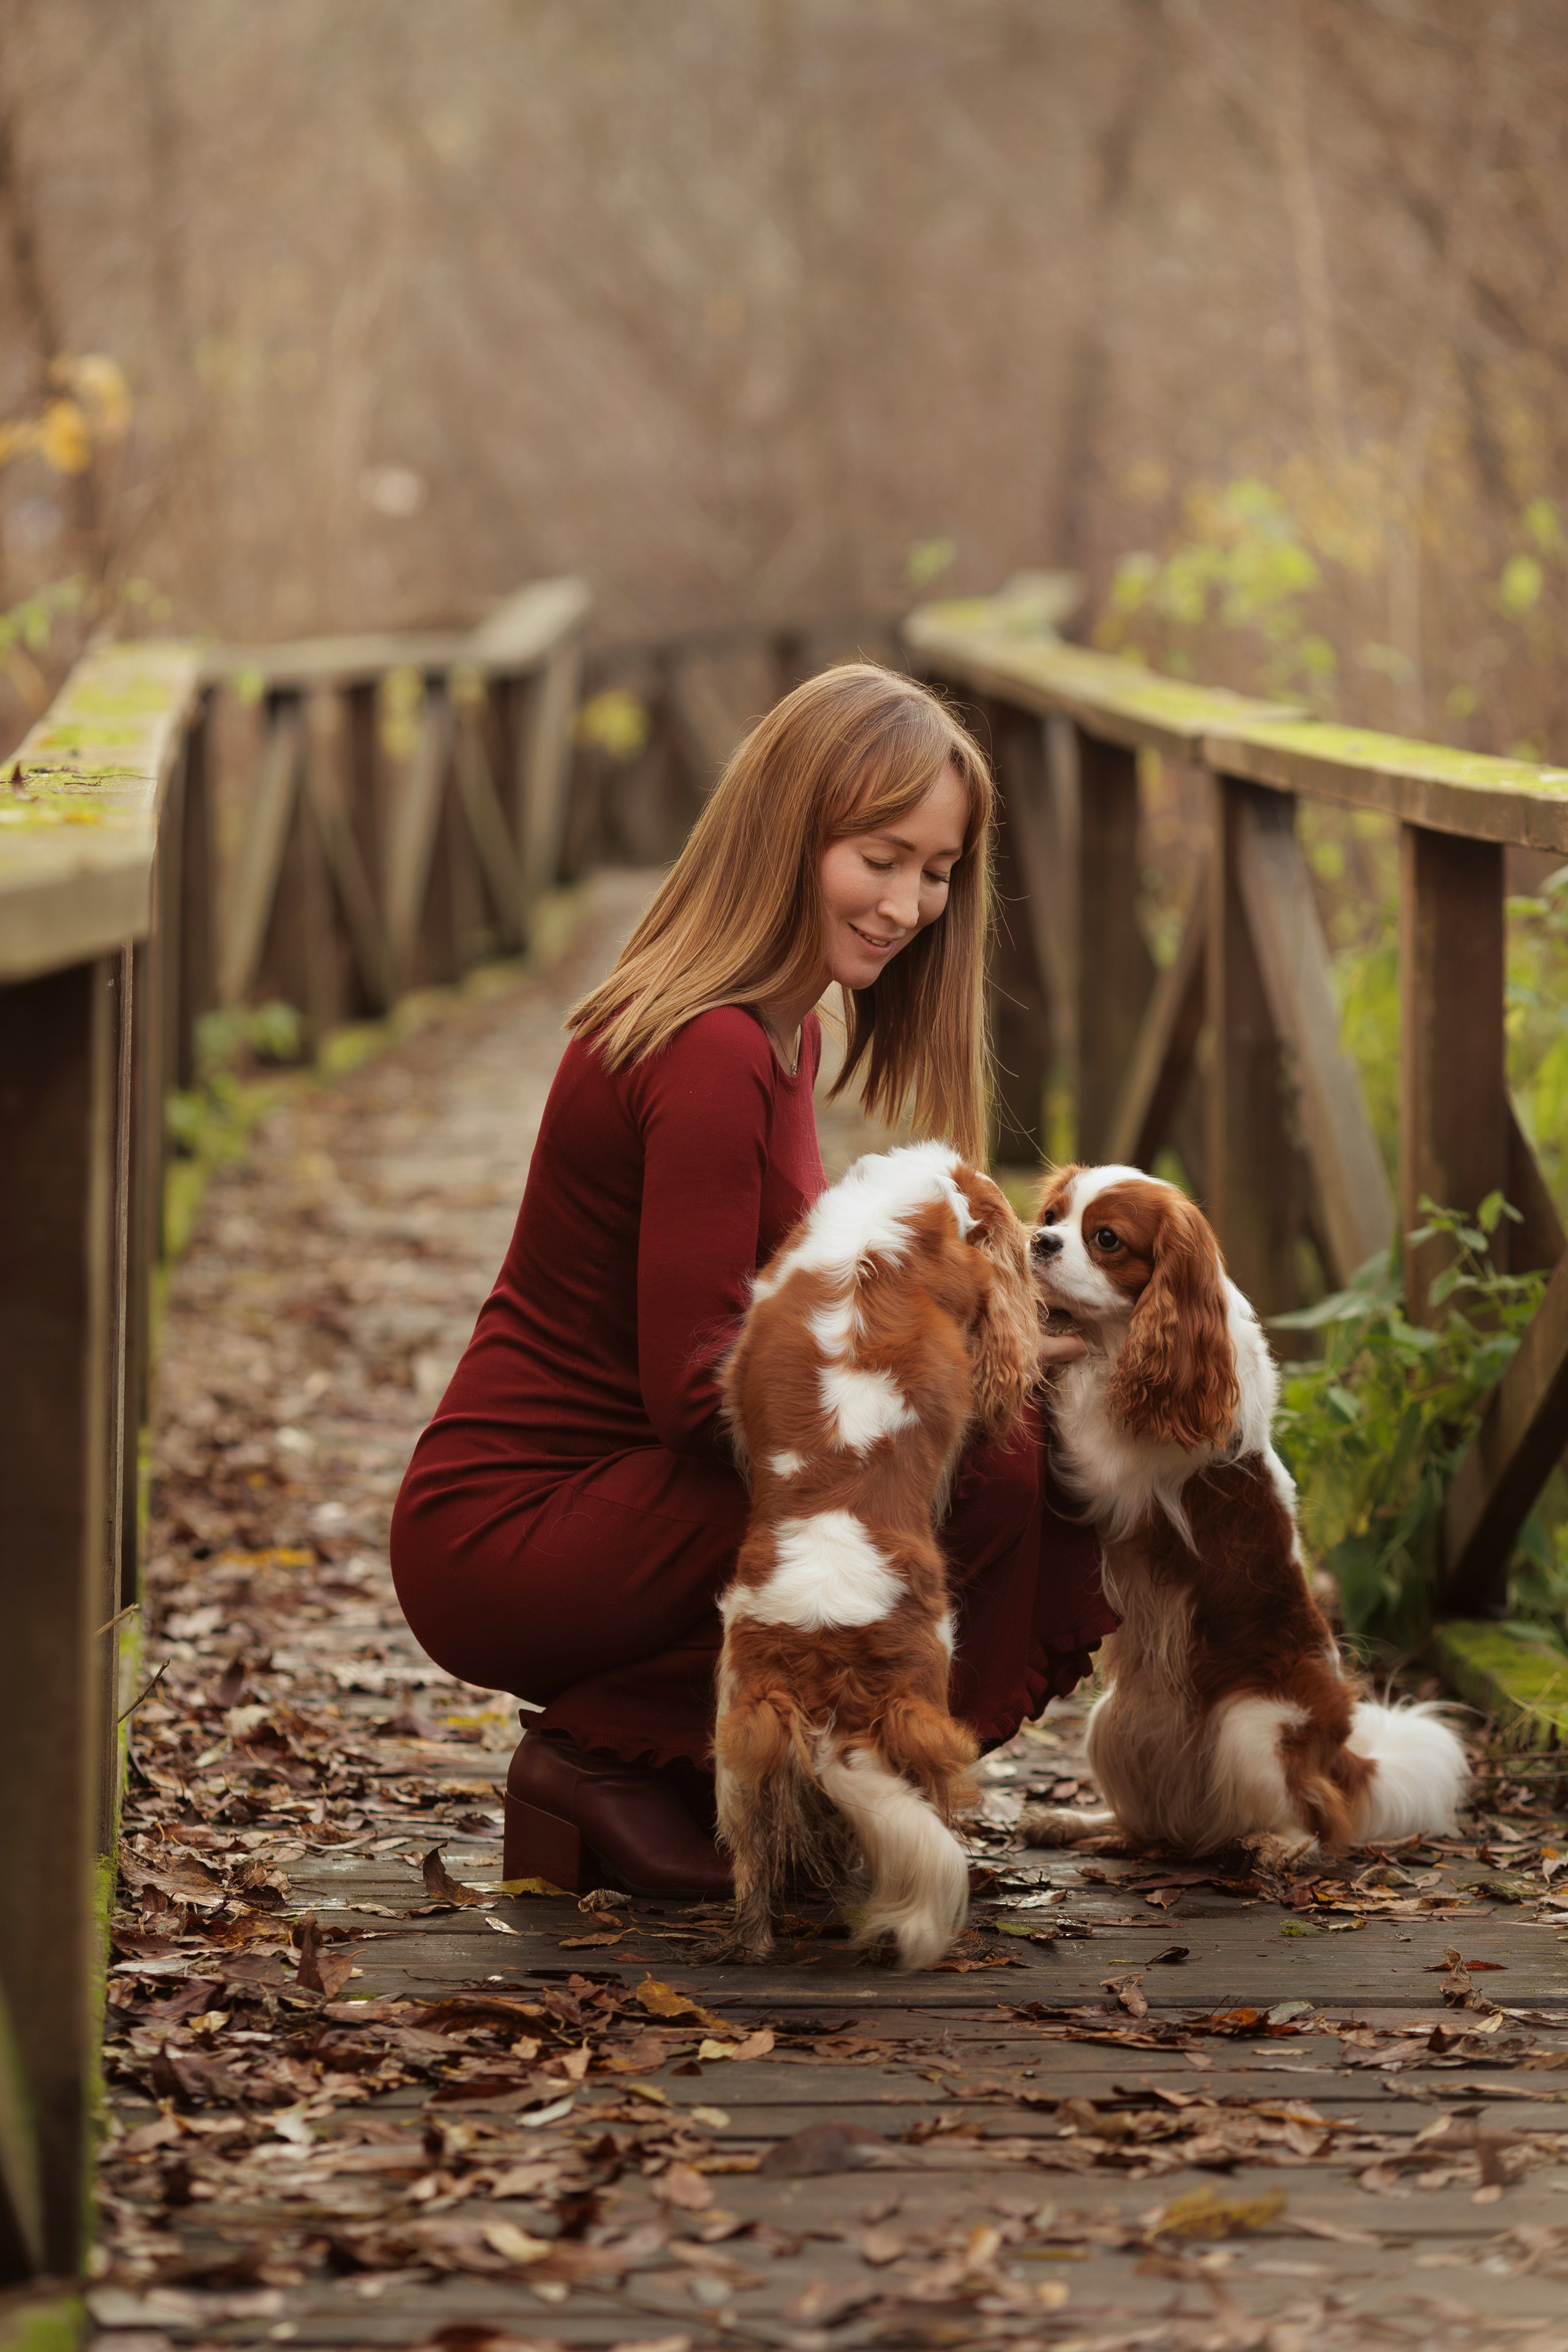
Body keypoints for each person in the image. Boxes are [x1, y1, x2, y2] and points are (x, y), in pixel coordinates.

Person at [390, 664, 1113, 1897]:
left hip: (611, 1508)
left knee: (1007, 1437)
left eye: (935, 872)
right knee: (976, 1464)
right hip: (517, 1526)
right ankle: (607, 1760)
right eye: (878, 858)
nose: (907, 905)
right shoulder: (710, 1048)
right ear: (790, 832)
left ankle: (743, 1781)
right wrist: (951, 1366)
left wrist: (990, 1326)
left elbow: (775, 1321)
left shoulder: (782, 1036)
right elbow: (692, 1389)